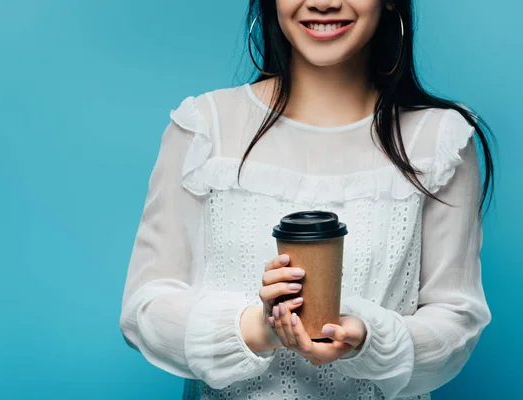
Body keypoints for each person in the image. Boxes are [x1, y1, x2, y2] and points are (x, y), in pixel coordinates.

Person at [119, 0, 495, 399]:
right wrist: (258, 329)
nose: (323, 2)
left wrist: (369, 339)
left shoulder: (439, 141)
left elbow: (457, 321)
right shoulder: (204, 128)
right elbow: (145, 309)